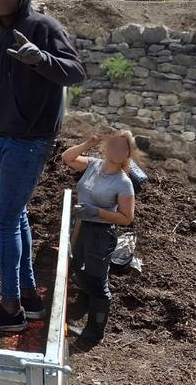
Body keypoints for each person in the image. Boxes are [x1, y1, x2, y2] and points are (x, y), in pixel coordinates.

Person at [0, 0, 86, 333]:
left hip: (30, 141)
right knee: (15, 216)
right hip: (3, 141)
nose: (2, 0)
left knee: (3, 219)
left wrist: (41, 59)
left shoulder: (43, 28)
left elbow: (75, 71)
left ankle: (9, 309)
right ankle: (28, 297)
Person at [62, 131, 136, 345]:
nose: (117, 151)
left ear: (128, 154)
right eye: (114, 146)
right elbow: (67, 158)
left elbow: (126, 218)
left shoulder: (123, 183)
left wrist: (96, 211)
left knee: (97, 281)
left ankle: (94, 333)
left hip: (101, 234)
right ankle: (87, 305)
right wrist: (88, 142)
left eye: (123, 149)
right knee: (76, 268)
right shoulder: (93, 165)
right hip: (81, 227)